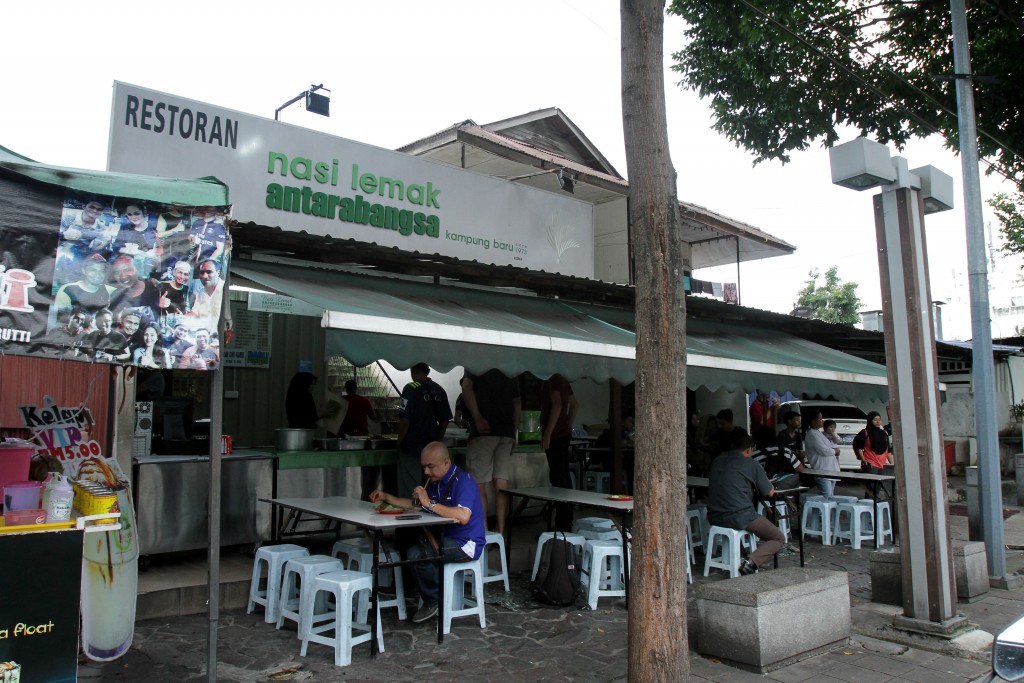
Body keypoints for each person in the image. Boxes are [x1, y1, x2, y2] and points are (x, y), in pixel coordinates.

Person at [369, 442, 485, 624]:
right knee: (407, 541)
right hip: (443, 538)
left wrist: (429, 503)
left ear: (446, 463)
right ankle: (406, 588)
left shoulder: (464, 481)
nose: (426, 473)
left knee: (417, 554)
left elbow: (463, 516)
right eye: (424, 467)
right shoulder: (435, 482)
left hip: (465, 543)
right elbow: (415, 505)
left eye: (430, 467)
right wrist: (387, 497)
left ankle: (434, 600)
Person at [708, 431, 784, 575]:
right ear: (749, 450)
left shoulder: (717, 460)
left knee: (740, 526)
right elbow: (768, 492)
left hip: (714, 516)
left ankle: (741, 556)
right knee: (778, 538)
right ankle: (751, 562)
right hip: (740, 515)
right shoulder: (752, 464)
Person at [461, 368, 521, 533]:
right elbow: (517, 403)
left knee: (479, 484)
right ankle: (500, 530)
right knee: (501, 482)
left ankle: (484, 531)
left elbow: (466, 388)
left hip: (484, 432)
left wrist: (477, 416)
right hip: (507, 433)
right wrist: (514, 431)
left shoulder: (476, 361)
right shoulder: (510, 368)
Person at [396, 363, 452, 503]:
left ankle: (411, 522)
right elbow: (445, 420)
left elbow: (404, 420)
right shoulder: (439, 389)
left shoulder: (410, 388)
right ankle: (428, 522)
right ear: (427, 371)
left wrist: (399, 441)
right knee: (429, 488)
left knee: (411, 489)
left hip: (411, 448)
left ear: (412, 371)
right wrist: (436, 443)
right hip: (431, 450)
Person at [540, 372, 578, 531]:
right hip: (564, 433)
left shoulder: (554, 378)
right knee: (563, 475)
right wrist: (568, 424)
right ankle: (566, 520)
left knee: (558, 478)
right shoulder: (564, 378)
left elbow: (557, 404)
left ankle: (562, 523)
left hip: (556, 435)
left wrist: (548, 433)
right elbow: (575, 403)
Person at [52, 253, 116, 322]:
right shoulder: (68, 290)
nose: (97, 274)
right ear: (84, 270)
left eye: (102, 271)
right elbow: (60, 320)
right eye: (93, 270)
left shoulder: (110, 290)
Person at [111, 202, 160, 276]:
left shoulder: (153, 228)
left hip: (148, 267)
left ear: (144, 212)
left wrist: (155, 253)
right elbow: (115, 247)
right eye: (129, 214)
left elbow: (161, 249)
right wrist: (134, 251)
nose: (133, 217)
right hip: (128, 267)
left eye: (136, 213)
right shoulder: (125, 228)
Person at [109, 254, 160, 324]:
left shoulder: (154, 288)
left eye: (127, 269)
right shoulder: (115, 297)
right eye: (117, 272)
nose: (123, 276)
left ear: (137, 269)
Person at [853, 411, 893, 497]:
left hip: (882, 465)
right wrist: (864, 460)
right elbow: (859, 447)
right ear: (870, 420)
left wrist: (892, 464)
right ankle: (870, 505)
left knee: (879, 487)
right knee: (871, 487)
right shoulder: (864, 432)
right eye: (875, 420)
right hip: (871, 464)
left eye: (879, 420)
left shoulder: (883, 433)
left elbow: (888, 451)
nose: (878, 422)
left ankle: (874, 506)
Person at [803, 410, 840, 496]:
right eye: (820, 418)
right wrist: (835, 451)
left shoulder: (817, 433)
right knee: (826, 494)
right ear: (813, 421)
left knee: (830, 494)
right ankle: (822, 509)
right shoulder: (812, 434)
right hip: (822, 470)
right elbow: (824, 450)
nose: (822, 421)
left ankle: (827, 509)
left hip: (830, 469)